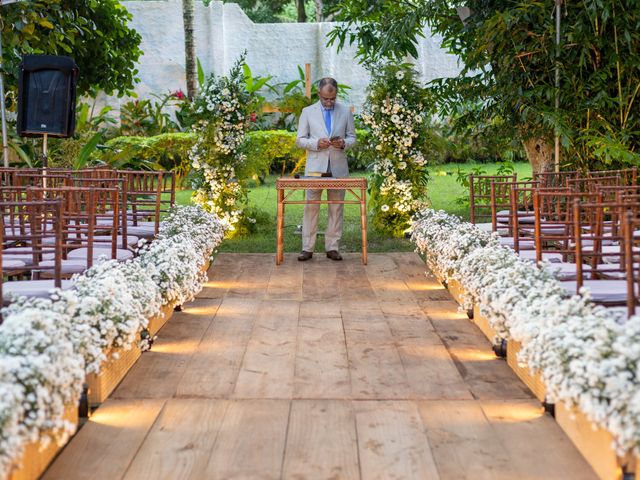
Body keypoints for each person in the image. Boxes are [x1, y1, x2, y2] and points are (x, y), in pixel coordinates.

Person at [295, 77, 356, 261]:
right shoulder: (307, 112)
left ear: (336, 94)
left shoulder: (345, 111)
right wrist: (316, 143)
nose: (329, 102)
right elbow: (300, 140)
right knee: (311, 206)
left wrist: (344, 143)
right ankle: (307, 248)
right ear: (319, 94)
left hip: (338, 168)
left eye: (332, 98)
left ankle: (332, 247)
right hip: (315, 168)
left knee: (336, 207)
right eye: (325, 99)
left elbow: (352, 137)